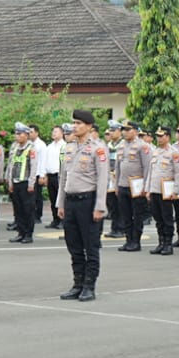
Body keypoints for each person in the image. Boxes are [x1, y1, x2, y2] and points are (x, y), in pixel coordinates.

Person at [57, 109, 109, 302]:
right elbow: (64, 177)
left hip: (88, 202)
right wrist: (60, 203)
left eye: (79, 123)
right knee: (74, 246)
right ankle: (77, 284)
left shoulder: (98, 148)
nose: (75, 126)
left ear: (89, 126)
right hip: (70, 202)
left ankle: (89, 286)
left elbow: (103, 179)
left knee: (90, 246)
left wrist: (100, 206)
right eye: (74, 123)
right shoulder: (69, 148)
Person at [114, 120, 152, 252]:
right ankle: (128, 240)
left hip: (137, 186)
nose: (125, 132)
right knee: (125, 215)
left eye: (128, 129)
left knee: (137, 215)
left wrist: (146, 186)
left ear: (135, 131)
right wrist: (116, 185)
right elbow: (118, 167)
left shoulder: (142, 146)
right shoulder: (121, 145)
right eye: (123, 130)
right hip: (123, 184)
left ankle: (136, 241)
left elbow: (147, 167)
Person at [148, 126, 179, 256]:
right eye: (157, 136)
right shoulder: (155, 151)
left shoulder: (173, 152)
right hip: (154, 189)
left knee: (167, 218)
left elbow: (178, 173)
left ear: (168, 137)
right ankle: (161, 242)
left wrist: (176, 190)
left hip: (166, 191)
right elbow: (150, 172)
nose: (159, 138)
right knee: (158, 218)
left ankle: (168, 244)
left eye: (161, 136)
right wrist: (148, 189)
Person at [7, 122, 38, 243]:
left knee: (27, 210)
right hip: (16, 182)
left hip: (26, 183)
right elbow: (11, 165)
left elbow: (33, 167)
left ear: (26, 135)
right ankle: (21, 232)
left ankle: (28, 234)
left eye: (20, 134)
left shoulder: (31, 148)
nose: (17, 136)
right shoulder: (15, 148)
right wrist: (10, 182)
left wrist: (31, 183)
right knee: (18, 209)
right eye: (16, 134)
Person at [43, 126, 64, 229]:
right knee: (53, 199)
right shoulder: (49, 146)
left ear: (62, 133)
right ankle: (55, 219)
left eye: (56, 131)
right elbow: (46, 161)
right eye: (53, 131)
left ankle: (62, 220)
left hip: (59, 175)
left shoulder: (64, 146)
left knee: (60, 199)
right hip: (50, 175)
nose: (53, 133)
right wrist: (45, 175)